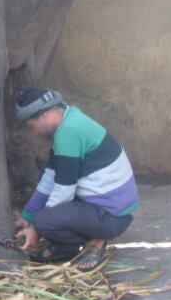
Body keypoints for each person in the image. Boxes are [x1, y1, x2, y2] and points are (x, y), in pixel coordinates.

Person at [13, 88, 139, 271]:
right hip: (108, 207)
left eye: (30, 124)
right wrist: (26, 217)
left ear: (46, 114)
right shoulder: (70, 118)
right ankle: (83, 236)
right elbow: (49, 179)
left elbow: (64, 189)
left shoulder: (68, 134)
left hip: (110, 216)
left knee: (45, 221)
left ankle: (86, 241)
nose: (32, 131)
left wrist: (36, 229)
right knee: (43, 203)